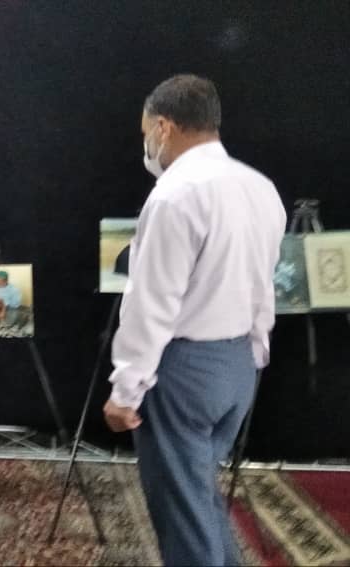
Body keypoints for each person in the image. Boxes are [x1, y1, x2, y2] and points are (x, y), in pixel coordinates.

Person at [103, 75, 286, 565]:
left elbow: (152, 303)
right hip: (237, 366)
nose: (147, 144)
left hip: (183, 373)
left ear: (164, 127)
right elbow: (264, 285)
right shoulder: (261, 188)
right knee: (199, 496)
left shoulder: (174, 195)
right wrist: (254, 353)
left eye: (147, 132)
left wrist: (126, 390)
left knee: (183, 518)